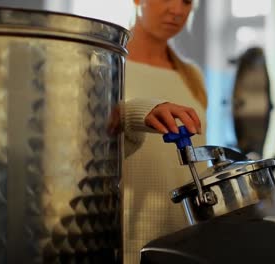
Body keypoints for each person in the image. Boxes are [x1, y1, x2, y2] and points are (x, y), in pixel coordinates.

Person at [109, 0, 207, 263]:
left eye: (186, 1)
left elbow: (198, 158)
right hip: (128, 238)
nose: (176, 10)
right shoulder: (108, 64)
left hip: (185, 239)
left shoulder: (192, 75)